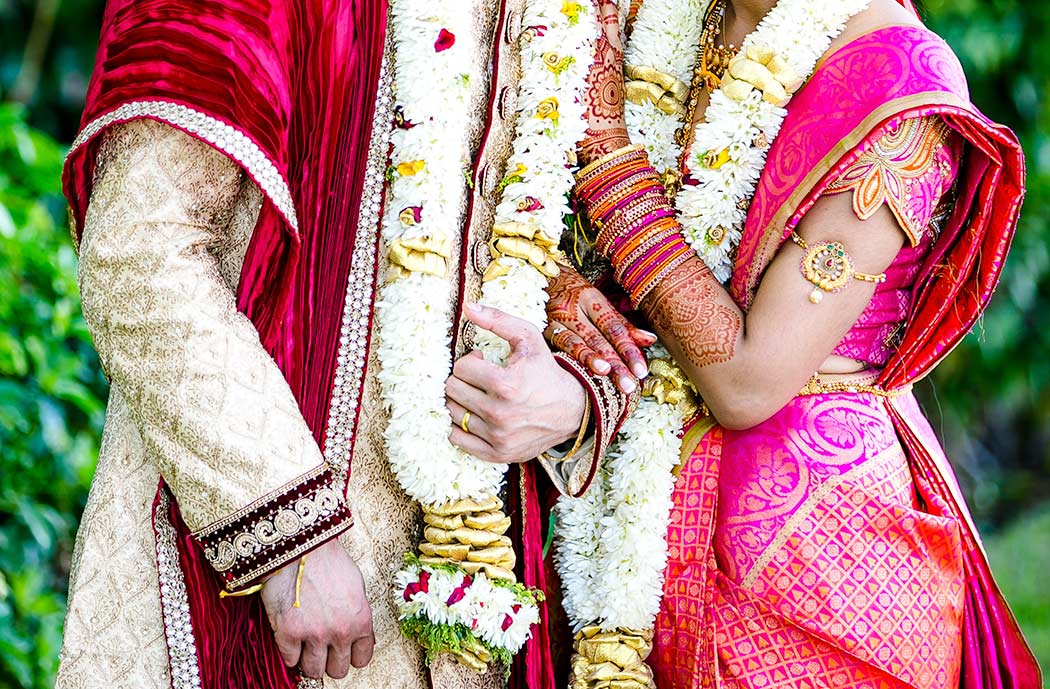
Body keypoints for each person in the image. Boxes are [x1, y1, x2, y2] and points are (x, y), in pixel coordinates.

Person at [57, 2, 647, 688]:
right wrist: (290, 535)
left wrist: (575, 396)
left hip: (484, 613)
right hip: (255, 578)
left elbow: (637, 254)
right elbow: (141, 248)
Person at [538, 0, 1043, 686]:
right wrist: (558, 282)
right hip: (624, 512)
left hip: (818, 565)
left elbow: (748, 381)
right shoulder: (664, 17)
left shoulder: (896, 79)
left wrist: (606, 151)